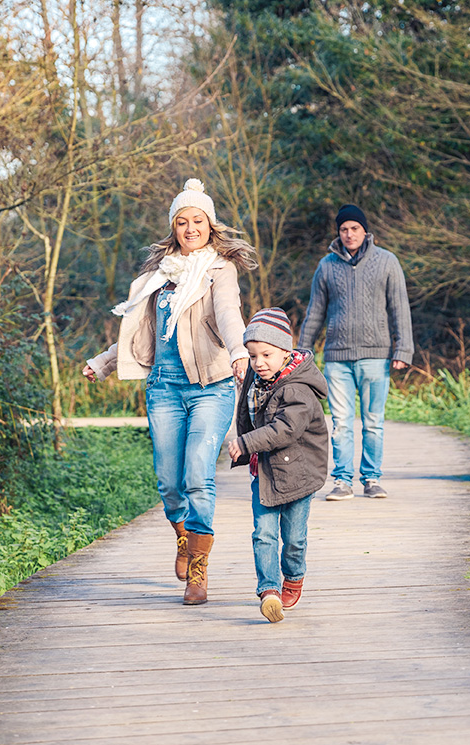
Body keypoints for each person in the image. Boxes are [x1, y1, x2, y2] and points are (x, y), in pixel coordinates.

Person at [83, 178, 254, 605]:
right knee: (169, 482)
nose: (190, 228)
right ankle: (183, 535)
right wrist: (103, 362)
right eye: (182, 222)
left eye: (198, 220)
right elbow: (137, 329)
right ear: (173, 227)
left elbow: (229, 314)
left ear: (210, 225)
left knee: (198, 473)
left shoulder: (220, 270)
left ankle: (199, 567)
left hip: (211, 386)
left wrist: (239, 351)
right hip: (163, 388)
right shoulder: (157, 275)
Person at [296, 203, 413, 501]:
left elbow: (400, 308)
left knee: (373, 422)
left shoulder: (387, 261)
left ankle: (372, 479)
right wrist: (302, 353)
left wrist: (403, 349)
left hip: (376, 356)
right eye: (344, 229)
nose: (349, 234)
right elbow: (315, 313)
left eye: (355, 228)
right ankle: (342, 481)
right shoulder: (326, 266)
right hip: (337, 357)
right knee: (341, 424)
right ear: (338, 233)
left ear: (365, 231)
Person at [227, 308, 329, 623]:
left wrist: (246, 443)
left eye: (266, 355)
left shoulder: (298, 389)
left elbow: (286, 429)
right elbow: (247, 414)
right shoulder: (256, 379)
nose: (259, 362)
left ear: (286, 351)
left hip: (299, 473)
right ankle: (269, 590)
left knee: (294, 538)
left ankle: (293, 577)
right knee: (264, 533)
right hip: (266, 471)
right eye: (253, 356)